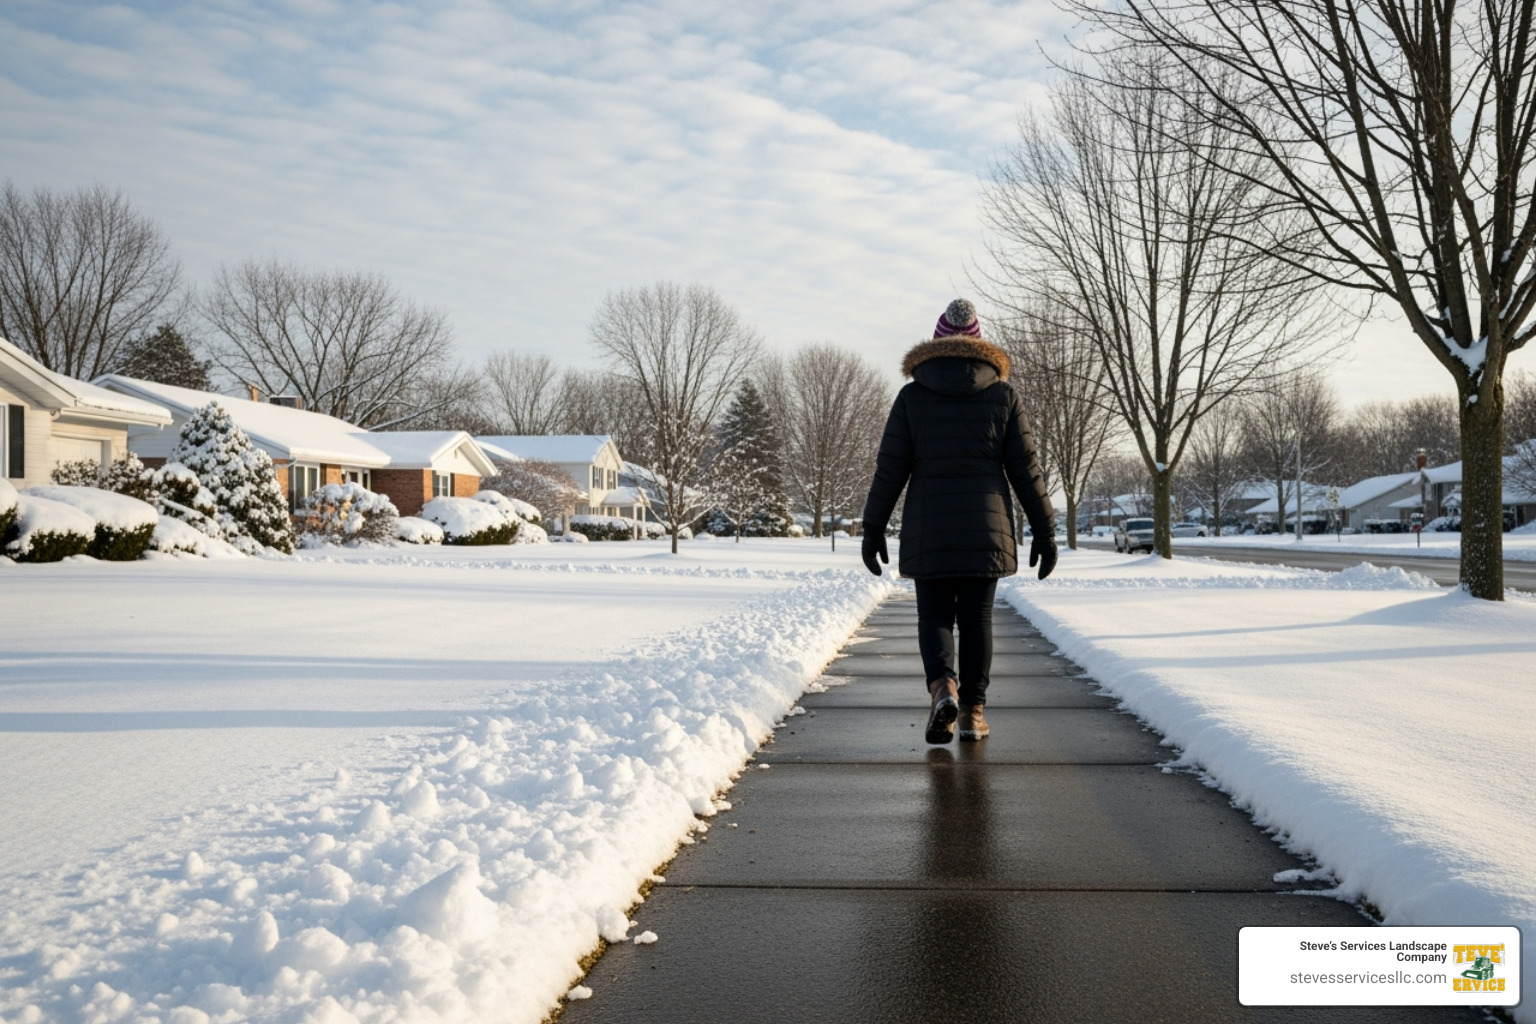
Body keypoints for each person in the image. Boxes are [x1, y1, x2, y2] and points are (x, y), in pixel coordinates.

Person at [860, 299, 1057, 744]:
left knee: (933, 616)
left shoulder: (913, 396)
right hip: (985, 528)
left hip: (929, 526)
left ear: (935, 343)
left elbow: (890, 468)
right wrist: (1044, 530)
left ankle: (941, 688)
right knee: (977, 619)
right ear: (979, 343)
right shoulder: (1002, 396)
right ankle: (972, 713)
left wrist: (873, 528)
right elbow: (1026, 468)